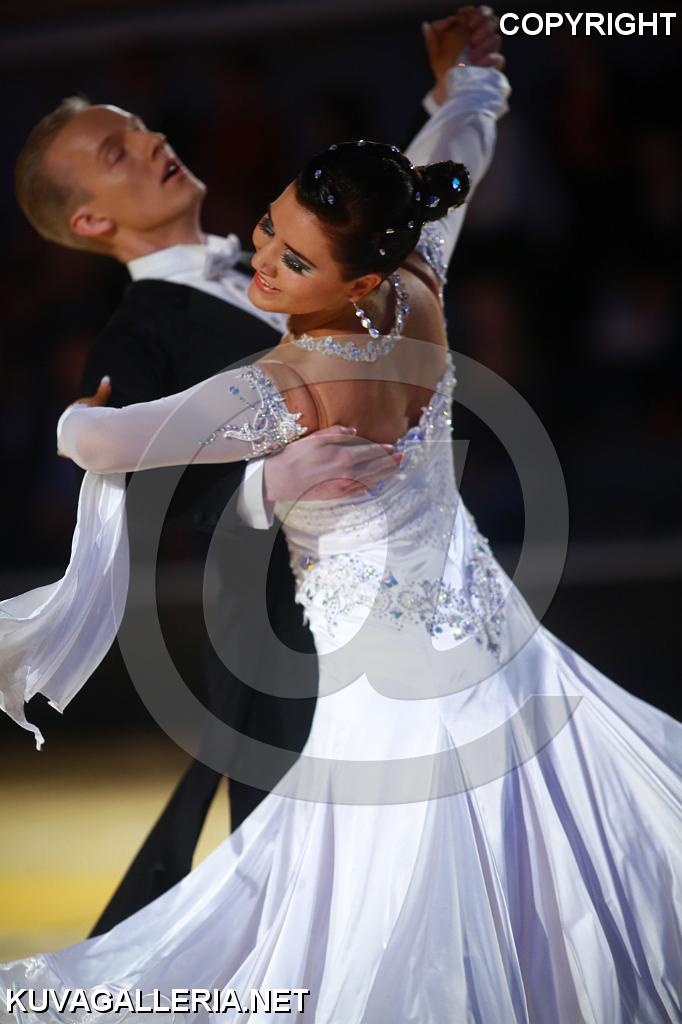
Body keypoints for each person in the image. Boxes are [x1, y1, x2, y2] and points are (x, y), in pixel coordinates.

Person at [2, 139, 681, 1022]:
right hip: (505, 658)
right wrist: (471, 96)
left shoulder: (293, 382)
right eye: (267, 228)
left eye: (295, 260)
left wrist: (73, 415)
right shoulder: (417, 279)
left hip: (393, 709)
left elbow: (103, 444)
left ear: (359, 281)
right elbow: (449, 161)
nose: (264, 260)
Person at [11, 7, 508, 936]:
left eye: (140, 126)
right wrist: (261, 487)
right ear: (90, 219)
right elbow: (138, 481)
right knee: (315, 895)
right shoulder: (138, 335)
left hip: (392, 613)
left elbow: (107, 441)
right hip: (280, 628)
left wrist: (457, 95)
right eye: (118, 152)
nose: (152, 142)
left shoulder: (299, 252)